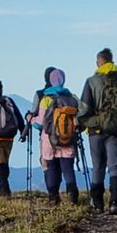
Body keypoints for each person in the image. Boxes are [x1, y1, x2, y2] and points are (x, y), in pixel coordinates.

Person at [78, 47, 117, 214]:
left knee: (98, 166)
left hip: (95, 129)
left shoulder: (91, 81)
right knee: (114, 166)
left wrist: (81, 122)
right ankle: (115, 202)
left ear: (98, 62)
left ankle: (97, 204)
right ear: (112, 61)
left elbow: (84, 107)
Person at [31, 67, 80, 205]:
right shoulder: (72, 98)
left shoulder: (46, 99)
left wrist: (31, 119)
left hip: (49, 140)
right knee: (68, 169)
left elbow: (39, 124)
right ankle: (72, 195)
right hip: (67, 139)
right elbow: (78, 121)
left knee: (51, 168)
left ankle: (53, 197)